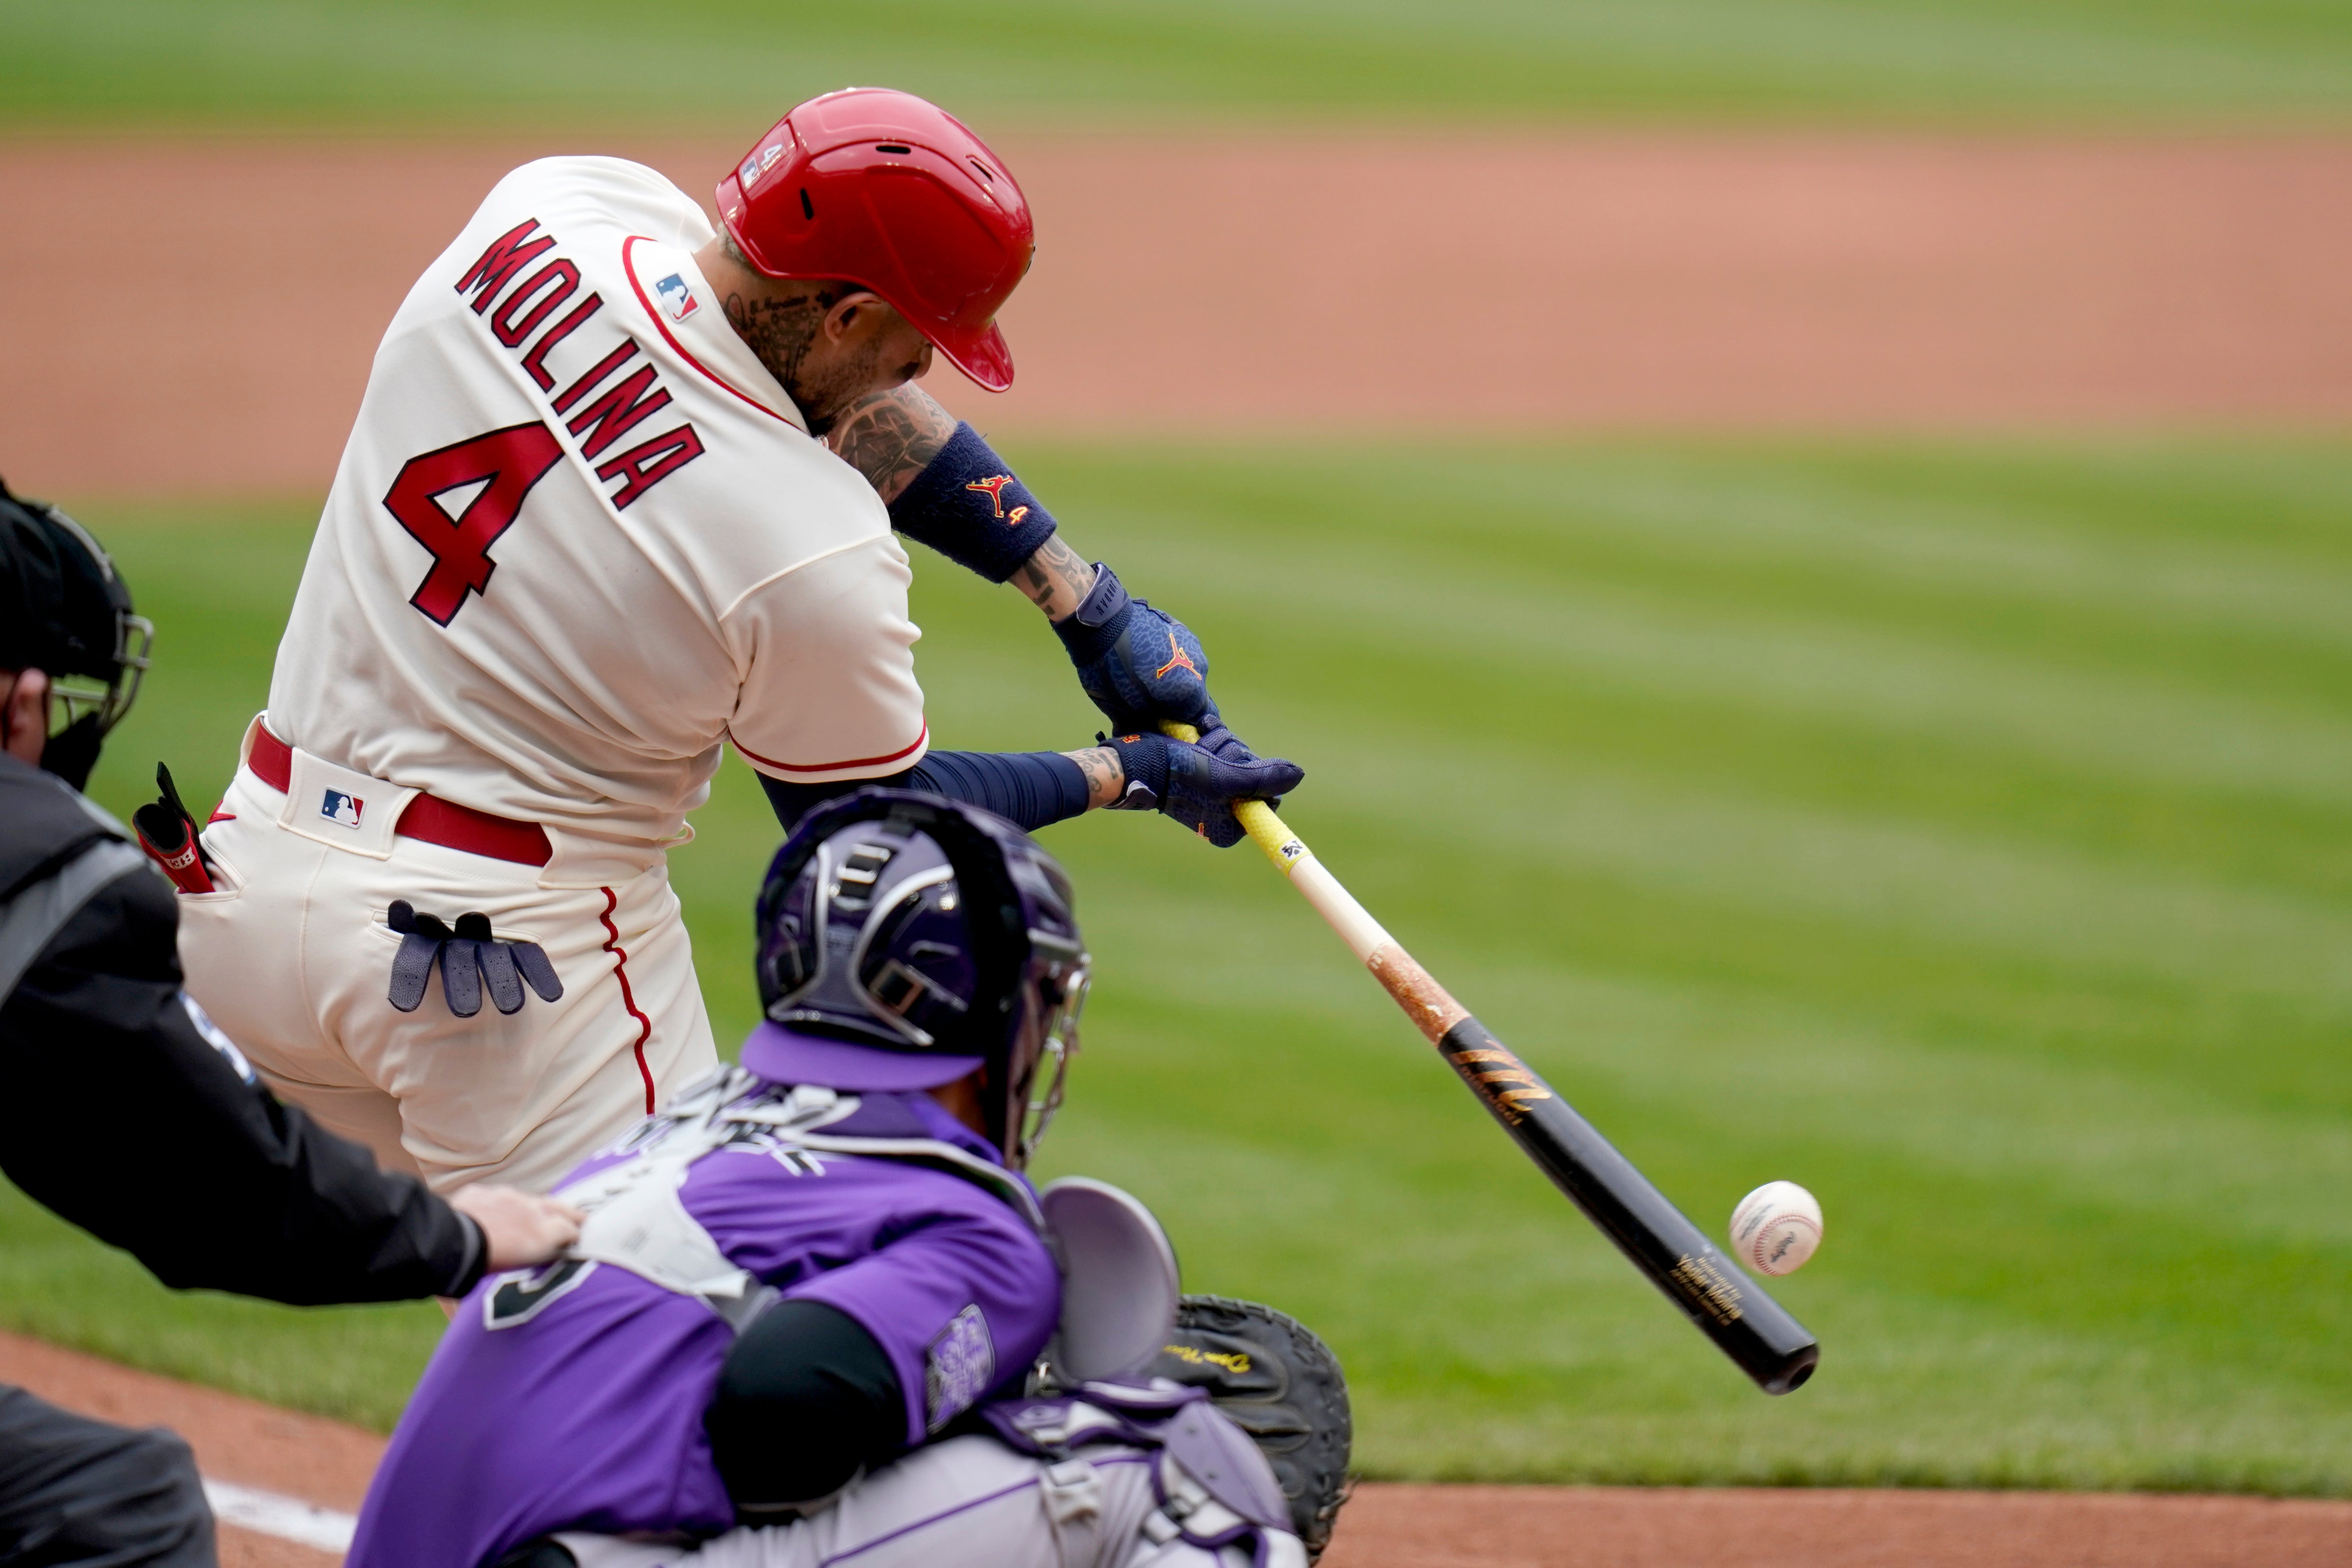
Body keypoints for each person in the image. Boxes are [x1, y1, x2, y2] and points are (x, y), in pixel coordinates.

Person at [178, 85, 1301, 1199]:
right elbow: (874, 824)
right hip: (498, 980)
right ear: (848, 316)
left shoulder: (554, 209)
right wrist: (1135, 775)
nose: (919, 377)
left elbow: (779, 390)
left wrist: (1086, 604)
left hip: (244, 895)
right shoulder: (809, 549)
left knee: (492, 1331)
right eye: (914, 348)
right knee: (672, 1341)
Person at [348, 791, 1348, 1568]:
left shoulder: (681, 1134)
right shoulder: (975, 1224)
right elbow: (785, 1409)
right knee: (1174, 1466)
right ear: (999, 1016)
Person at [0, 483, 584, 1564]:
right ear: (17, 701)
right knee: (126, 1499)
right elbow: (208, 1184)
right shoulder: (33, 872)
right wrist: (463, 1237)